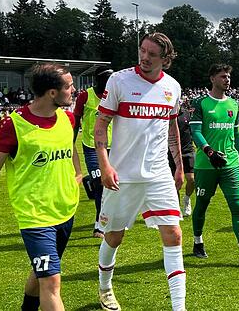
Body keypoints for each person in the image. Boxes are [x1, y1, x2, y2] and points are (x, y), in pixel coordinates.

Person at [0, 63, 82, 311]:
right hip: (35, 217)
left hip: (66, 210)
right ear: (52, 92)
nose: (73, 90)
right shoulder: (13, 125)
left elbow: (70, 148)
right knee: (51, 281)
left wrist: (77, 174)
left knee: (41, 271)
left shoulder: (68, 118)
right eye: (69, 86)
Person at [94, 33, 186, 311]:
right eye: (142, 51)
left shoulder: (173, 88)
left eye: (152, 54)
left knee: (174, 234)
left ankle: (179, 307)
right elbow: (100, 126)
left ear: (166, 60)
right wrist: (105, 165)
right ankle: (105, 287)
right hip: (123, 177)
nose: (144, 58)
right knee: (114, 236)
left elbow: (172, 129)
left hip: (158, 175)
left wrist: (179, 166)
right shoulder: (119, 80)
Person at [189, 64, 239, 266]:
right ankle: (198, 242)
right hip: (206, 164)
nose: (227, 79)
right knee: (202, 204)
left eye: (229, 76)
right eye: (223, 76)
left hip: (230, 164)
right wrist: (209, 151)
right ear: (212, 78)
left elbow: (236, 133)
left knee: (237, 205)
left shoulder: (233, 104)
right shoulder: (200, 103)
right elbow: (195, 132)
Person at [73, 67, 113, 239]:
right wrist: (70, 142)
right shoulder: (85, 96)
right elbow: (76, 120)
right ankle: (99, 224)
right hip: (91, 147)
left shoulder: (112, 96)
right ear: (99, 80)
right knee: (100, 184)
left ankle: (112, 219)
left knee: (113, 185)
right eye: (108, 80)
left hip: (113, 146)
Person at [169, 104, 197, 216]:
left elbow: (193, 131)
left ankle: (187, 199)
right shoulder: (167, 114)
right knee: (174, 182)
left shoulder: (186, 114)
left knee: (192, 179)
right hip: (171, 152)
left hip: (188, 150)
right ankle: (176, 206)